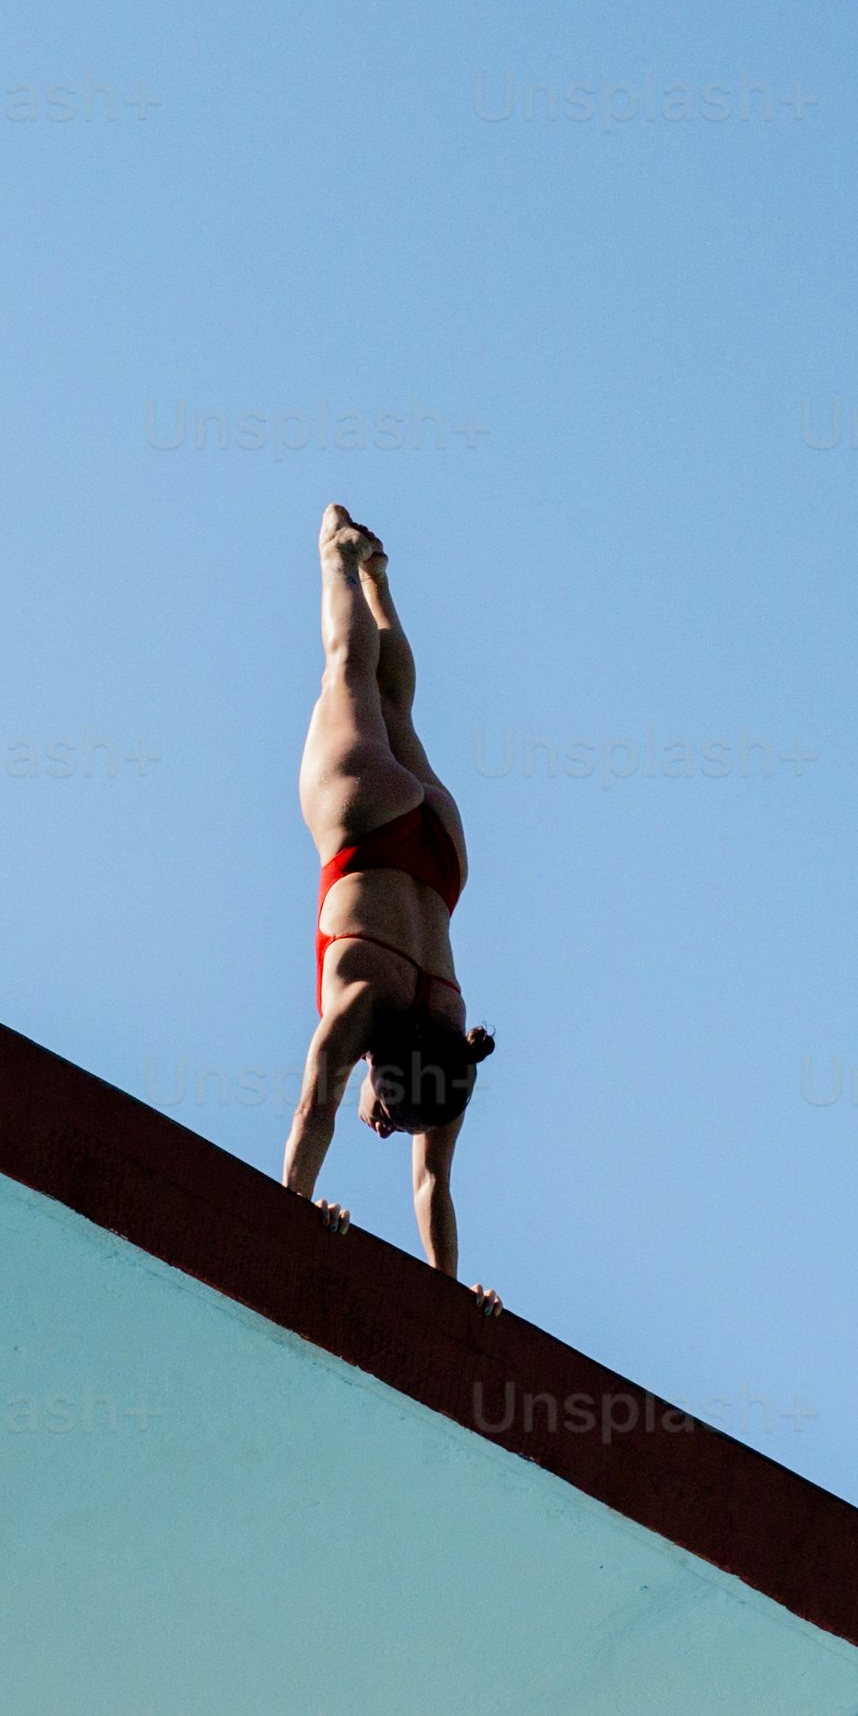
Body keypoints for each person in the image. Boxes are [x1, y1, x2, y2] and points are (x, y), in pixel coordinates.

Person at [279, 506, 497, 1291]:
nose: (381, 1125)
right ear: (382, 1067)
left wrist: (450, 1290)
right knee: (345, 673)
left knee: (394, 707)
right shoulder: (366, 1004)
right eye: (391, 1116)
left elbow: (431, 1184)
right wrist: (290, 1209)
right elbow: (315, 1111)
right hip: (365, 826)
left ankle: (377, 579)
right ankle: (337, 557)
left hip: (440, 854)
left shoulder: (448, 1040)